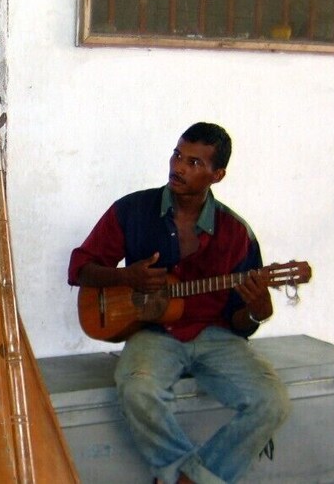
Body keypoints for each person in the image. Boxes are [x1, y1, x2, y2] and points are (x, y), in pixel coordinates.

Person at [68, 123, 291, 484]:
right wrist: (127, 278)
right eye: (177, 155)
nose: (179, 167)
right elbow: (80, 267)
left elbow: (241, 323)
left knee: (273, 402)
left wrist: (256, 310)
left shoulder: (236, 233)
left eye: (194, 163)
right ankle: (189, 475)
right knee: (137, 389)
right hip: (154, 334)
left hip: (216, 337)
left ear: (217, 175)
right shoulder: (133, 210)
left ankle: (183, 478)